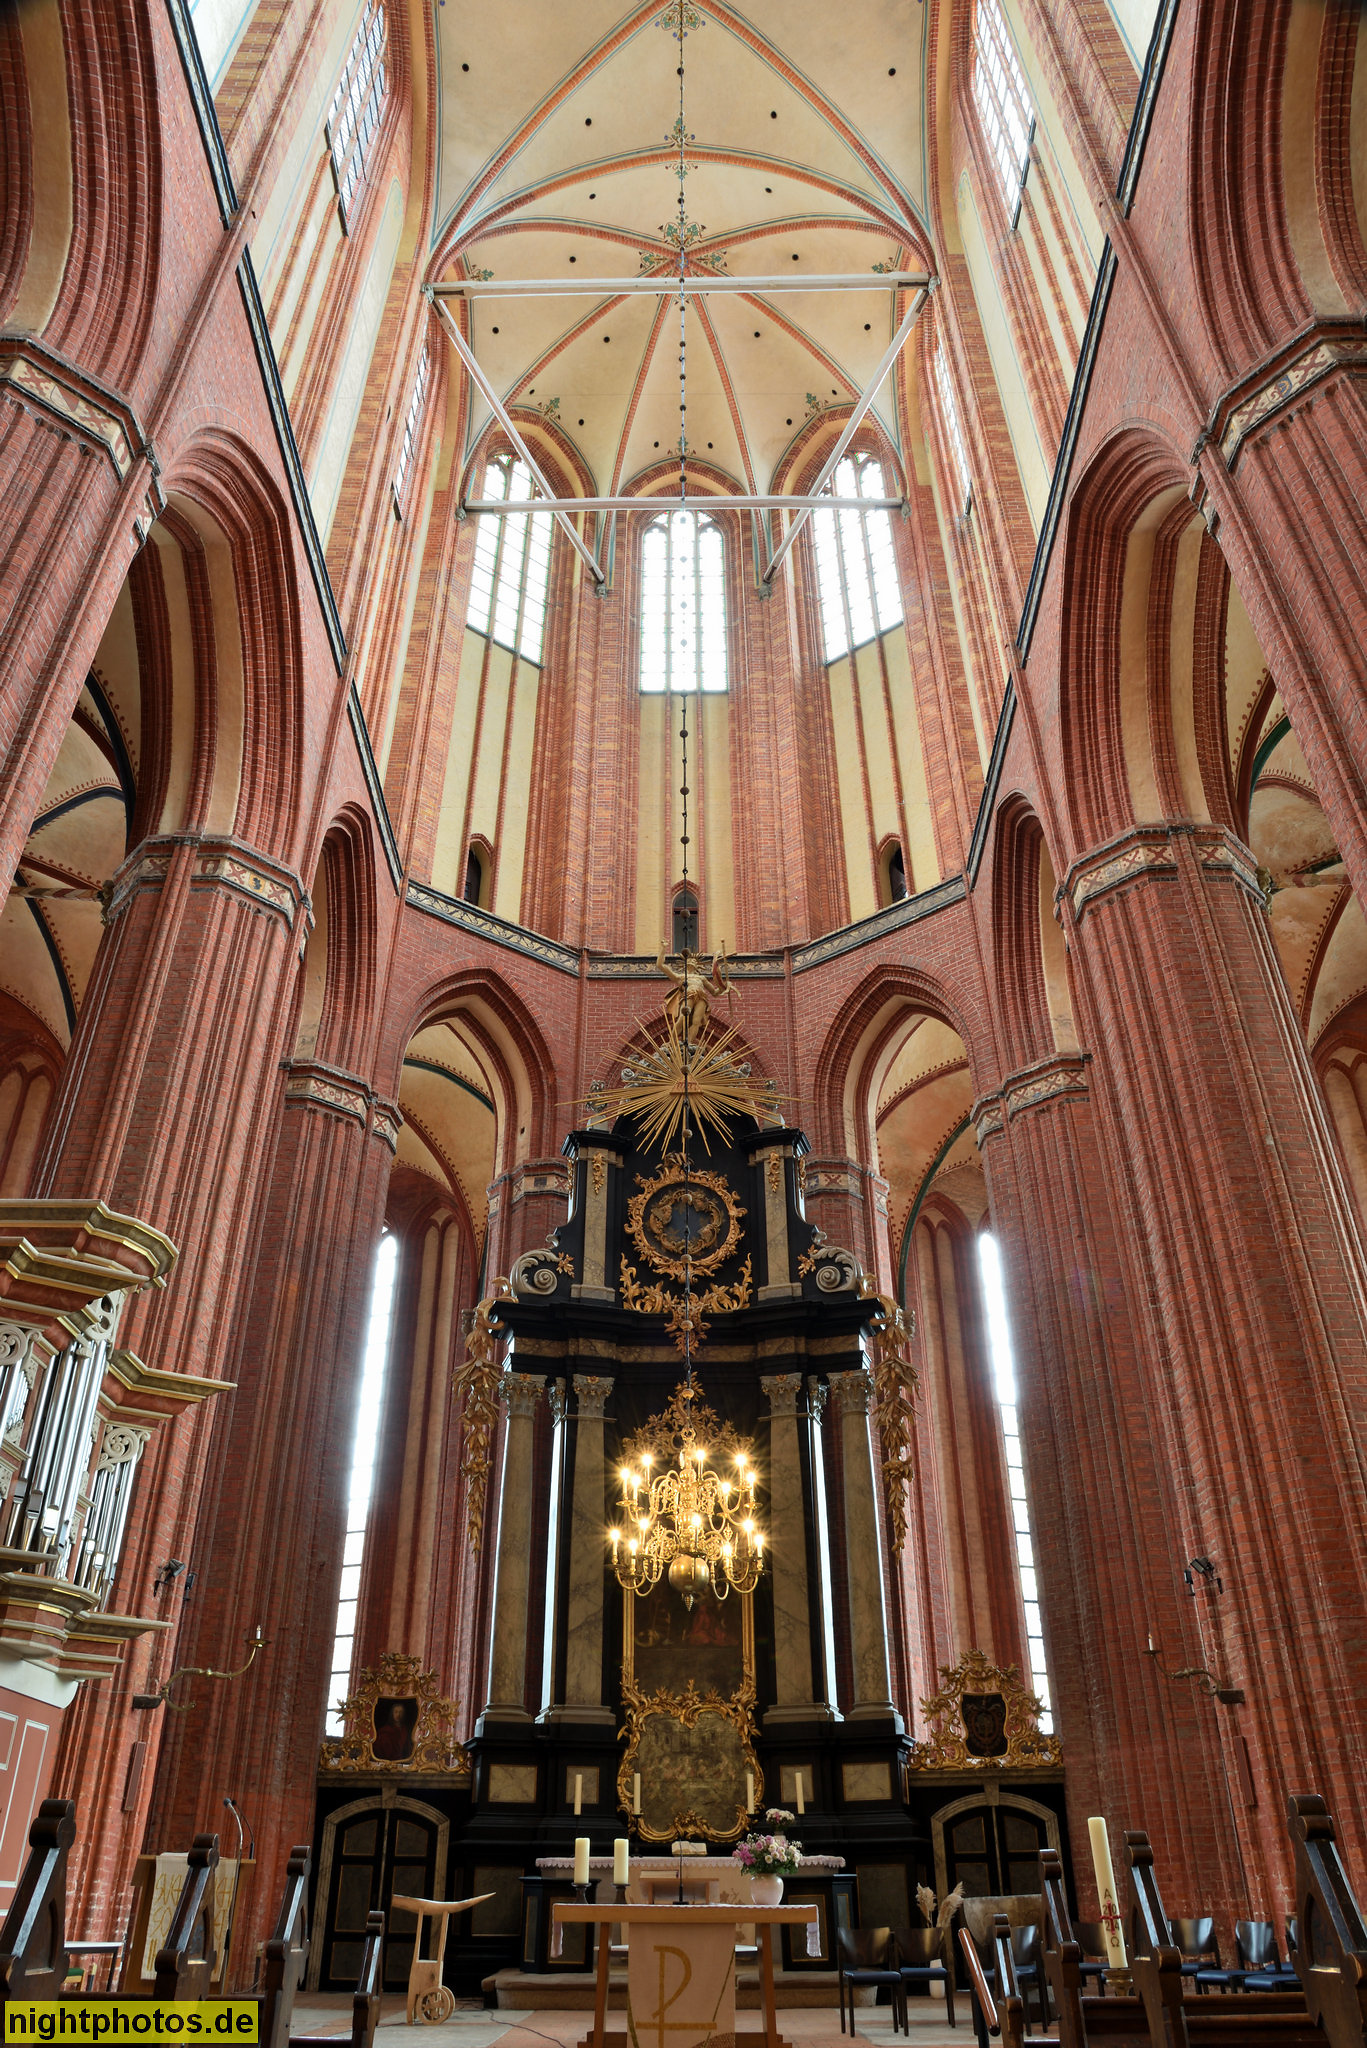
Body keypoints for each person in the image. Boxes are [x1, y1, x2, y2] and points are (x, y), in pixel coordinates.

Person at [656, 942, 728, 1043]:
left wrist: (723, 986)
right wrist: (663, 948)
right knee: (683, 1018)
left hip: (702, 997)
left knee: (696, 1021)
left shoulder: (701, 978)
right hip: (688, 994)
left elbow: (715, 992)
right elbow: (660, 965)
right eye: (689, 960)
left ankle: (689, 1043)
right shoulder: (680, 977)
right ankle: (672, 1042)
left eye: (694, 960)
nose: (692, 961)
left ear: (697, 965)